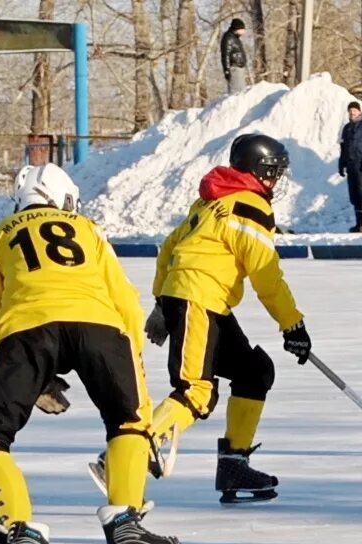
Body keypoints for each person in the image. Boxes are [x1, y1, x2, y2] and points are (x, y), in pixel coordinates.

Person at [0, 163, 185, 544]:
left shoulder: (1, 232)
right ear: (64, 200)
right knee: (129, 424)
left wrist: (26, 371)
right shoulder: (88, 228)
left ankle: (20, 534)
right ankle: (128, 525)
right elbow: (124, 298)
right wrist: (128, 358)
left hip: (25, 329)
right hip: (102, 328)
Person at [111, 133, 312, 505]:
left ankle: (234, 465)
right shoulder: (250, 205)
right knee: (196, 392)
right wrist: (292, 324)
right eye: (274, 174)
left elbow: (169, 249)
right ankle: (127, 452)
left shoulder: (210, 202)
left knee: (254, 372)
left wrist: (162, 300)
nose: (276, 182)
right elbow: (265, 273)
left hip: (200, 299)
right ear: (260, 171)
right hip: (198, 300)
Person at [339, 101, 362, 232]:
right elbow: (343, 148)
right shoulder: (347, 128)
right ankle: (359, 223)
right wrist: (342, 163)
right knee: (354, 195)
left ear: (359, 111)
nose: (352, 112)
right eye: (350, 110)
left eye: (354, 110)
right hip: (351, 165)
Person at [221, 18, 249, 94]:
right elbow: (225, 55)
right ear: (237, 28)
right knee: (237, 92)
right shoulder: (228, 38)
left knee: (242, 91)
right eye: (242, 29)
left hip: (240, 67)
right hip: (234, 68)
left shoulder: (236, 38)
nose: (244, 31)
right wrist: (226, 70)